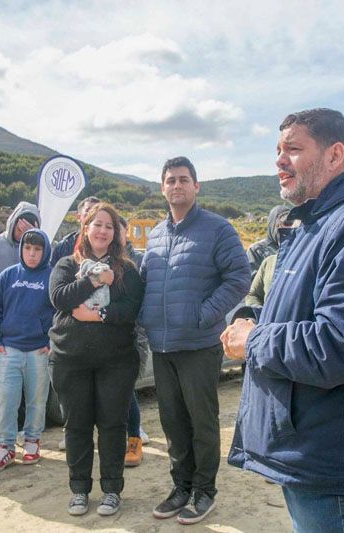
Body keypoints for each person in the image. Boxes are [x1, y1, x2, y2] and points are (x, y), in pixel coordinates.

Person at [221, 108, 344, 532]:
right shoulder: (315, 224)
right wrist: (252, 316)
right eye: (277, 150)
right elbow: (297, 309)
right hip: (313, 446)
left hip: (331, 455)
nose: (279, 161)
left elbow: (342, 344)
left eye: (293, 149)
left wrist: (253, 342)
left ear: (334, 154)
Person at [140, 156, 250, 525]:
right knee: (172, 422)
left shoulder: (217, 229)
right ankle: (181, 486)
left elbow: (238, 277)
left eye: (184, 179)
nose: (177, 185)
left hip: (200, 343)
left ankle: (205, 491)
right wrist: (145, 320)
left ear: (196, 186)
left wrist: (204, 315)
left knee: (202, 421)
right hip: (163, 345)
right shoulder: (155, 235)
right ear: (162, 188)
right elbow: (146, 285)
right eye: (170, 180)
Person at [49, 202, 144, 517]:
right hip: (70, 361)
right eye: (97, 224)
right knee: (76, 426)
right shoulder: (66, 263)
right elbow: (60, 298)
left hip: (115, 362)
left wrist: (99, 314)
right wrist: (93, 281)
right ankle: (79, 490)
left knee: (112, 426)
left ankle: (112, 490)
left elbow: (131, 308)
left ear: (116, 232)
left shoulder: (127, 269)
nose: (103, 230)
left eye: (109, 225)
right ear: (85, 229)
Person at [0, 229, 53, 473]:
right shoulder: (7, 276)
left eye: (37, 249)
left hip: (38, 351)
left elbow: (60, 313)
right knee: (6, 399)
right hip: (9, 349)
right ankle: (5, 445)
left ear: (45, 251)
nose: (32, 254)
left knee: (37, 399)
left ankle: (32, 440)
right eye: (27, 248)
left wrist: (49, 341)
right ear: (21, 249)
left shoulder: (52, 276)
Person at [0, 202, 41, 457]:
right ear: (12, 220)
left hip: (26, 335)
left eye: (30, 224)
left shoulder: (37, 250)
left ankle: (19, 434)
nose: (23, 228)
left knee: (25, 386)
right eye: (20, 222)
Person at [48, 195, 101, 452]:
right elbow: (56, 289)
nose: (93, 218)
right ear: (79, 218)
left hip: (103, 332)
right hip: (72, 329)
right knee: (74, 394)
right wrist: (75, 309)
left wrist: (100, 315)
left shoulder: (112, 246)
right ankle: (74, 433)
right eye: (87, 214)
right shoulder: (64, 248)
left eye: (97, 213)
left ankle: (130, 432)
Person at [118, 216, 151, 468]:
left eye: (116, 229)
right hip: (107, 339)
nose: (110, 234)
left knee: (127, 390)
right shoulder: (99, 261)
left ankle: (134, 439)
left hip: (133, 336)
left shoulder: (138, 261)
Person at [50, 196, 102, 267]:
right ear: (78, 217)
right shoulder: (64, 246)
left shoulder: (110, 244)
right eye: (88, 210)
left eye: (97, 211)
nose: (93, 214)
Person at [245, 205, 291, 278]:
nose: (288, 227)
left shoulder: (297, 247)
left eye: (290, 224)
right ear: (272, 224)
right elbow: (252, 280)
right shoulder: (256, 250)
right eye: (284, 223)